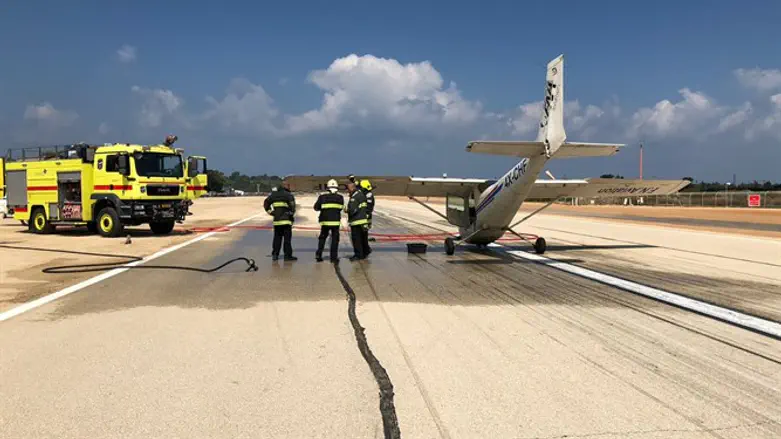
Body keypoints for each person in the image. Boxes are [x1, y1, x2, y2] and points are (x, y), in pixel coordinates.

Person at [263, 183, 297, 261]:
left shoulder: (273, 195)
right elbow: (293, 207)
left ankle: (275, 255)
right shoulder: (288, 195)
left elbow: (266, 204)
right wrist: (290, 215)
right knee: (287, 240)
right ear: (286, 188)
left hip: (277, 221)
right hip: (286, 221)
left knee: (277, 239)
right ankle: (287, 256)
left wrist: (271, 212)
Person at [314, 179, 344, 263]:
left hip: (325, 222)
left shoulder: (322, 197)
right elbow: (341, 208)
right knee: (335, 239)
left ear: (328, 187)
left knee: (322, 238)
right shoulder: (340, 197)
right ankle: (333, 258)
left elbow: (316, 208)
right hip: (335, 222)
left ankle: (319, 254)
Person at [345, 180, 369, 261]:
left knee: (356, 239)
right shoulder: (361, 195)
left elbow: (352, 209)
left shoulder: (354, 197)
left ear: (351, 189)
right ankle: (365, 252)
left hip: (356, 221)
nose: (347, 191)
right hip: (363, 220)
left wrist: (346, 209)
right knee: (363, 238)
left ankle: (358, 255)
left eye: (348, 189)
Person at [359, 179, 374, 255]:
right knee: (363, 235)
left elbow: (368, 208)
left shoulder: (369, 195)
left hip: (366, 218)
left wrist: (365, 216)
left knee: (364, 235)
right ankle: (365, 249)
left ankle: (366, 250)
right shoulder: (367, 193)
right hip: (365, 218)